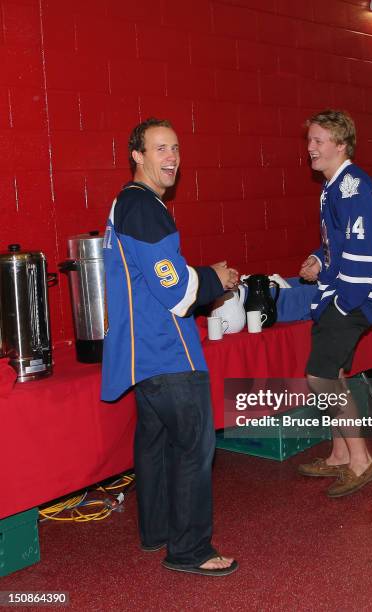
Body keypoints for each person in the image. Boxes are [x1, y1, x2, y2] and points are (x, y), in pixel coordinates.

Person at [101, 117, 239, 576]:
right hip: (168, 350)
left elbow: (154, 274)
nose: (172, 158)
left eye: (176, 148)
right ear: (136, 156)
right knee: (195, 447)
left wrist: (203, 273)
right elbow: (175, 289)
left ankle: (156, 531)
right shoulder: (143, 208)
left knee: (155, 444)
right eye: (160, 149)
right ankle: (191, 549)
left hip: (145, 353)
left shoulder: (129, 205)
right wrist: (213, 280)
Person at [297, 109, 372, 497]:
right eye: (310, 140)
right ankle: (338, 454)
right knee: (333, 373)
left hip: (354, 296)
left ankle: (361, 459)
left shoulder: (354, 186)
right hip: (338, 292)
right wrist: (319, 259)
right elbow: (339, 243)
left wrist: (343, 304)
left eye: (319, 140)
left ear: (341, 144)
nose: (310, 148)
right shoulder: (333, 186)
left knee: (320, 376)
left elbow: (363, 254)